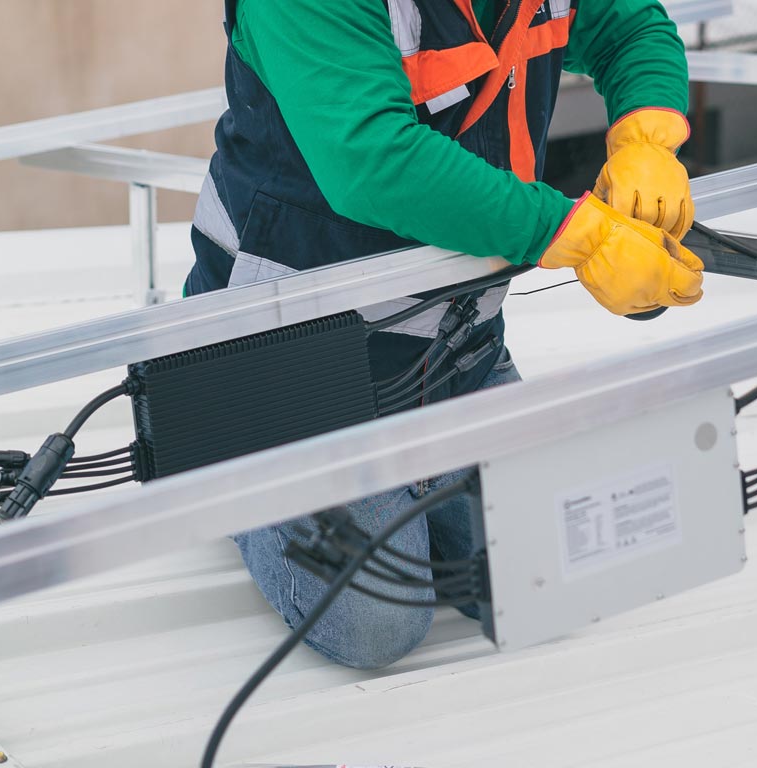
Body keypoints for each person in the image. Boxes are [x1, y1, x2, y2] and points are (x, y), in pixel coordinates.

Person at [185, 0, 703, 669]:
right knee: (377, 624)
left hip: (457, 354)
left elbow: (626, 24)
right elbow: (371, 159)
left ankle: (415, 482)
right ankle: (225, 460)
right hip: (290, 368)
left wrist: (646, 139)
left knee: (554, 569)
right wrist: (580, 234)